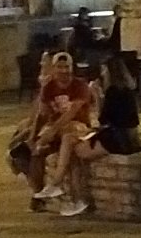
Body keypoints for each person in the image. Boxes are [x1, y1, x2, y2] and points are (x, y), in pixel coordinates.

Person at [52, 55, 141, 217]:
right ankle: (73, 196)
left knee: (72, 148)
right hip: (128, 138)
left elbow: (103, 118)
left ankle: (75, 196)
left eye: (104, 70)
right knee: (72, 143)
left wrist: (97, 95)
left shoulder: (113, 91)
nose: (102, 74)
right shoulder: (129, 90)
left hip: (117, 139)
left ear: (110, 72)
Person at [27, 51, 98, 206]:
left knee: (69, 135)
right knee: (36, 151)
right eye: (60, 67)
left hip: (76, 127)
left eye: (67, 67)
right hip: (57, 130)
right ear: (53, 68)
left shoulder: (80, 86)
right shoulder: (48, 87)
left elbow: (72, 113)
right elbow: (42, 113)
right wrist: (34, 137)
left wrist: (52, 130)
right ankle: (38, 194)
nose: (64, 70)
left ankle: (68, 193)